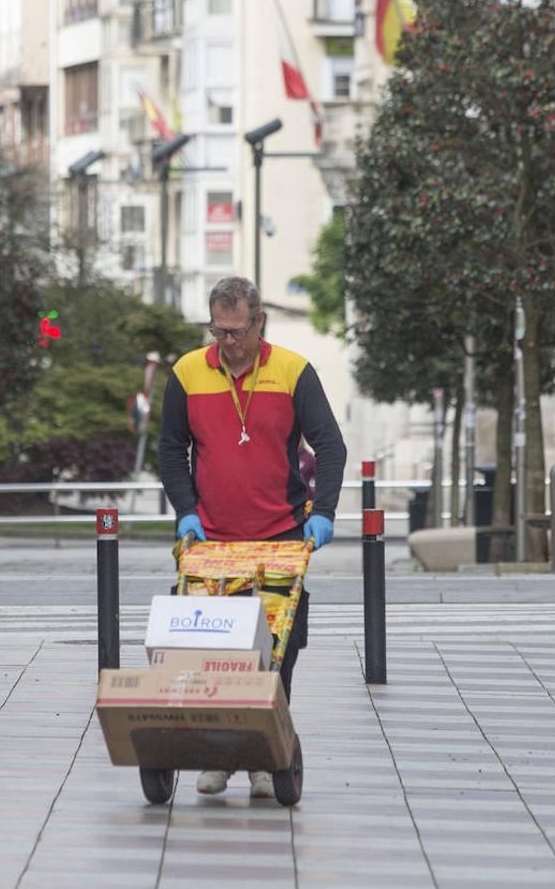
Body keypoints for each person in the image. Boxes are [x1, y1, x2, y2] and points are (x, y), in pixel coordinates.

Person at [159, 276, 346, 799]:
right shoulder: (188, 372)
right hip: (212, 542)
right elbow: (172, 450)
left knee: (276, 650)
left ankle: (264, 759)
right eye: (217, 330)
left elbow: (330, 445)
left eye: (236, 331)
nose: (227, 342)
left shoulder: (291, 371)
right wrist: (186, 511)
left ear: (258, 321)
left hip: (280, 537)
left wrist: (323, 511)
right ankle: (218, 756)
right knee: (212, 653)